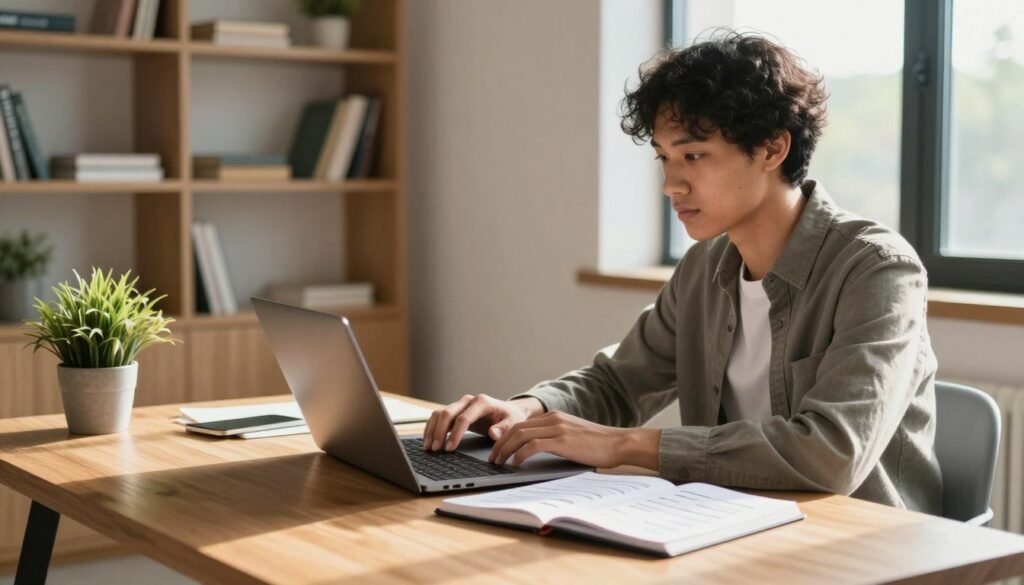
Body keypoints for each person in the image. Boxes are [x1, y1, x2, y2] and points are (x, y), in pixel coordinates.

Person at [423, 30, 941, 513]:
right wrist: (528, 410)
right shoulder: (705, 266)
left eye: (693, 155)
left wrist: (624, 444)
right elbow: (619, 384)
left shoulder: (877, 270)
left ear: (773, 148)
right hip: (727, 524)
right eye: (664, 157)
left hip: (860, 548)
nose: (671, 184)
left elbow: (832, 453)